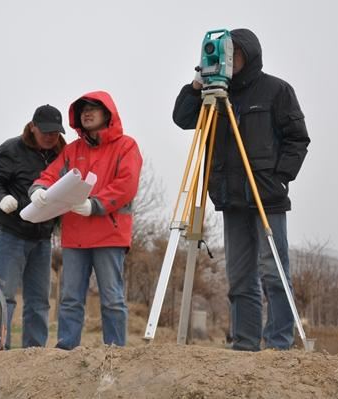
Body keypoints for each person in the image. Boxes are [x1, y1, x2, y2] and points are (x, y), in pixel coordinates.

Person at [172, 28, 310, 351]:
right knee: (240, 276)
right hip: (230, 199)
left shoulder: (276, 90)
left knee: (274, 273)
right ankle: (245, 343)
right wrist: (197, 83)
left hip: (267, 197)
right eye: (224, 53)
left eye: (234, 53)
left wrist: (280, 178)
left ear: (249, 55)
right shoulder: (213, 93)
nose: (229, 59)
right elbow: (181, 118)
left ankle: (279, 344)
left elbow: (297, 139)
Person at [29, 91, 142, 350]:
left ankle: (114, 353)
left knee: (112, 299)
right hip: (75, 235)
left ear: (108, 114)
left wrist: (95, 205)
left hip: (109, 235)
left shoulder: (126, 146)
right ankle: (66, 351)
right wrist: (38, 191)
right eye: (83, 110)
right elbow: (50, 175)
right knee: (70, 298)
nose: (87, 113)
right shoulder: (72, 150)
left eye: (93, 108)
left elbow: (126, 184)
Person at [0, 104, 66, 349]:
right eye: (46, 132)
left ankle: (34, 353)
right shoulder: (11, 149)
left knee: (39, 299)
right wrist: (2, 199)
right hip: (10, 232)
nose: (51, 137)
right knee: (2, 296)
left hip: (42, 236)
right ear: (33, 127)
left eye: (55, 132)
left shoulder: (62, 153)